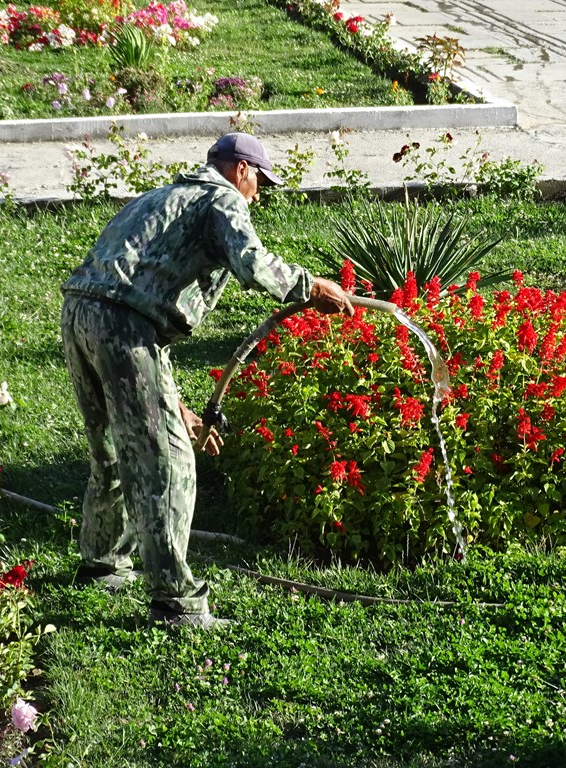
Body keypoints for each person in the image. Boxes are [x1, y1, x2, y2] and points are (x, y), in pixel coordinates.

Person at [60, 132, 353, 628]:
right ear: (242, 169)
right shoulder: (221, 197)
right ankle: (175, 603)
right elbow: (252, 262)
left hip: (80, 314)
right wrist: (310, 287)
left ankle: (103, 561)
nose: (258, 193)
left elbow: (135, 301)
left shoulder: (162, 196)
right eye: (260, 181)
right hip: (125, 325)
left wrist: (171, 403)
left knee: (112, 445)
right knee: (169, 463)